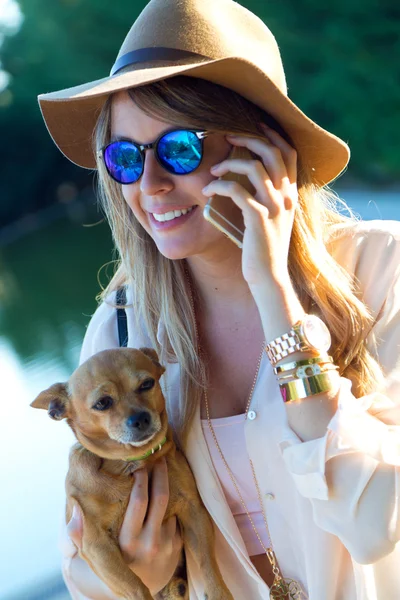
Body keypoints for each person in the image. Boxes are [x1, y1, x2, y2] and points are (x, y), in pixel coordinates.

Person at [38, 0, 400, 598]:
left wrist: (274, 292)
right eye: (125, 158)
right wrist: (138, 580)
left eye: (180, 148)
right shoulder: (123, 329)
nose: (150, 184)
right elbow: (86, 561)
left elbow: (375, 525)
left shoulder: (381, 271)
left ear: (261, 149)